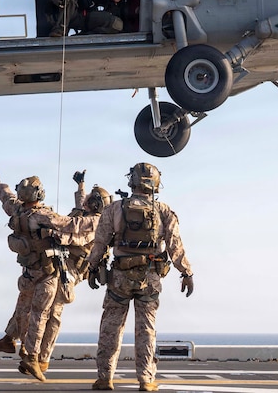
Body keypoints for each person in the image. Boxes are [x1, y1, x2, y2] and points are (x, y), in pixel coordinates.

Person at [0, 170, 110, 367]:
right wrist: (80, 186)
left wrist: (54, 235)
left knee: (52, 314)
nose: (85, 201)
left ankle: (42, 359)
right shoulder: (83, 215)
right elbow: (77, 214)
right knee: (27, 303)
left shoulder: (98, 225)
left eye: (91, 200)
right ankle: (13, 341)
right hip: (55, 265)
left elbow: (77, 234)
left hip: (70, 272)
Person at [86, 163, 194, 392]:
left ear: (132, 181)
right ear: (155, 184)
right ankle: (146, 380)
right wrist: (186, 272)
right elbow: (176, 246)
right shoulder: (164, 211)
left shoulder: (114, 209)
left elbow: (100, 242)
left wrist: (92, 267)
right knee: (146, 330)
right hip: (149, 278)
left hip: (119, 279)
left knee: (110, 328)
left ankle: (105, 378)